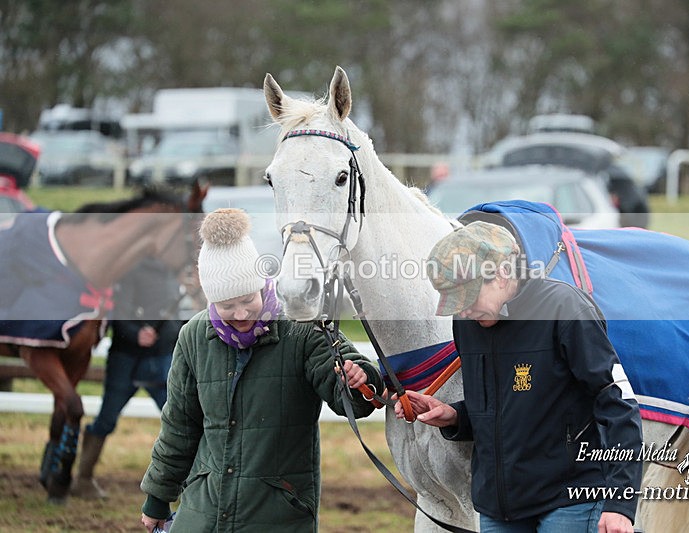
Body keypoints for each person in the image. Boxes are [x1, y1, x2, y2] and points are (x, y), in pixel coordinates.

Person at [139, 208, 384, 533]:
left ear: (263, 285)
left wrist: (359, 380)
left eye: (247, 299)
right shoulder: (194, 337)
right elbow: (179, 427)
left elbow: (351, 394)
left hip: (277, 511)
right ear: (212, 301)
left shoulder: (302, 328)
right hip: (204, 508)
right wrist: (158, 497)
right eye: (227, 306)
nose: (240, 313)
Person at [396, 221, 643, 532]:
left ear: (502, 274)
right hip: (498, 508)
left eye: (468, 297)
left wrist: (620, 502)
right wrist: (455, 416)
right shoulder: (467, 323)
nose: (464, 310)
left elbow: (618, 404)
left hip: (572, 499)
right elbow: (502, 405)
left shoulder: (564, 308)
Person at [72, 256, 184, 499]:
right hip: (126, 361)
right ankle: (83, 480)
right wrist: (136, 334)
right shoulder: (128, 269)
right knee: (106, 420)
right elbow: (119, 312)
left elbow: (179, 315)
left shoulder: (175, 271)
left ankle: (190, 484)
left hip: (162, 360)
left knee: (179, 421)